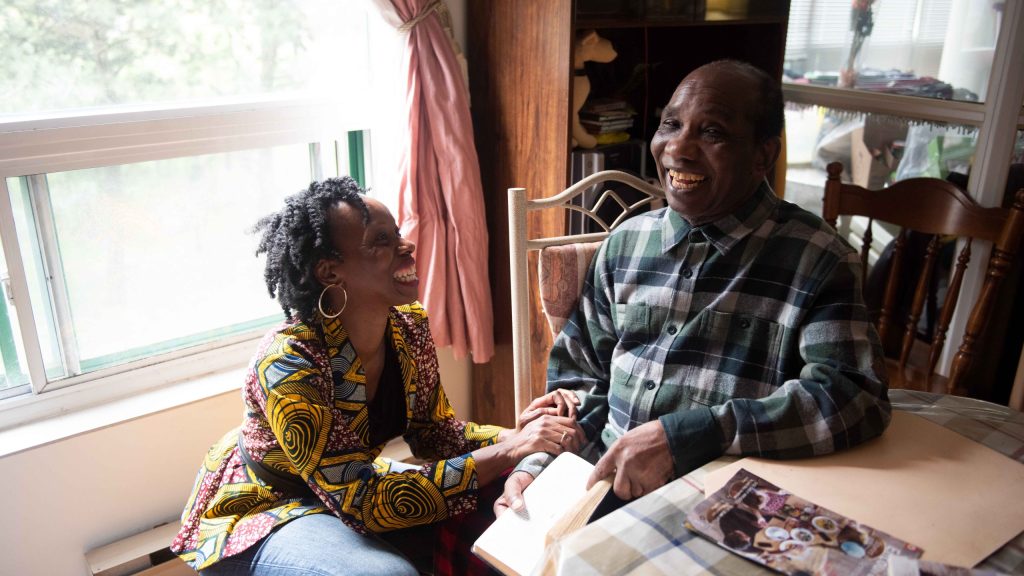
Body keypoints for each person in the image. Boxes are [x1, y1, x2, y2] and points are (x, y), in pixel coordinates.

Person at [497, 59, 891, 515]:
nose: (677, 150)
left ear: (763, 155)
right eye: (671, 124)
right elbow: (580, 379)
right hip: (599, 485)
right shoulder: (626, 244)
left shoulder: (818, 260)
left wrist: (696, 433)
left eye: (712, 133)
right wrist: (539, 466)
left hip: (724, 508)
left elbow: (854, 397)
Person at [171, 177, 584, 575]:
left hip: (352, 488)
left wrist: (520, 435)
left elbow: (435, 433)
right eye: (381, 242)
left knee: (507, 510)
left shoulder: (407, 325)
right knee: (386, 574)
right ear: (331, 273)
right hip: (267, 511)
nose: (407, 246)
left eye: (398, 233)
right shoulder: (288, 362)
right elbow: (364, 501)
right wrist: (509, 451)